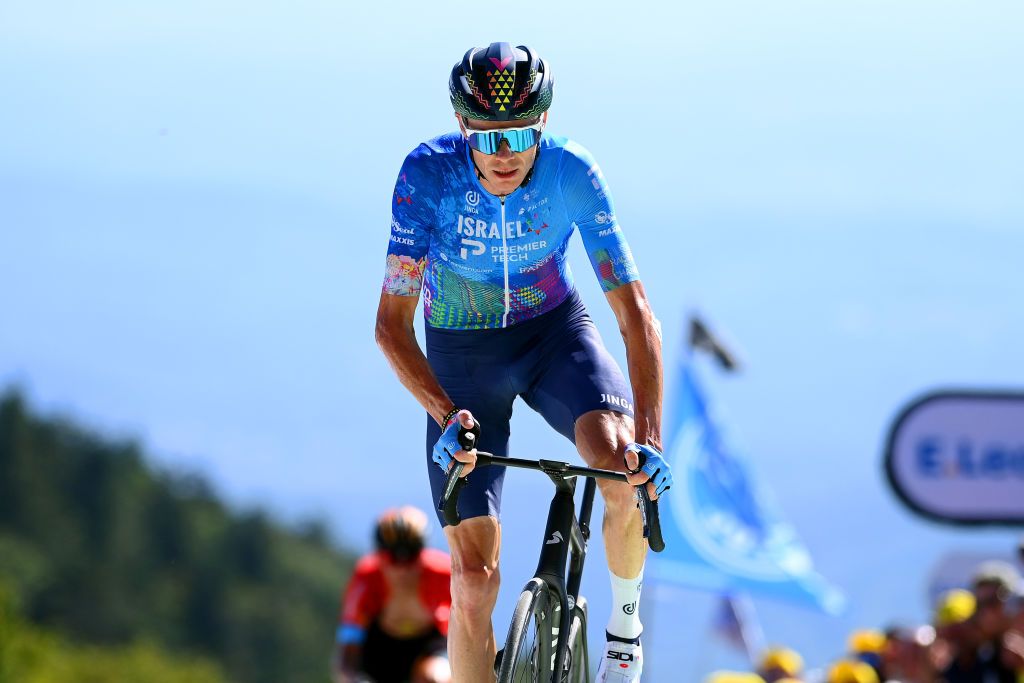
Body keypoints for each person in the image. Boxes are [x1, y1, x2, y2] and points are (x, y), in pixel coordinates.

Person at [374, 41, 673, 682]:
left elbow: (634, 312)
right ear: (462, 126)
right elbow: (391, 326)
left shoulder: (572, 172)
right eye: (486, 136)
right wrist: (443, 413)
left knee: (620, 468)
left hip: (553, 335)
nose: (504, 152)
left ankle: (624, 630)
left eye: (518, 133)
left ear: (542, 123)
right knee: (473, 582)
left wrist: (649, 440)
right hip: (461, 356)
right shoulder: (427, 176)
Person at [332, 506, 452, 683]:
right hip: (379, 651)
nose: (402, 569)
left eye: (411, 556)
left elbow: (472, 626)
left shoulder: (443, 573)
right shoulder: (366, 578)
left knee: (434, 677)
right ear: (379, 556)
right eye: (393, 558)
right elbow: (347, 650)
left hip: (429, 647)